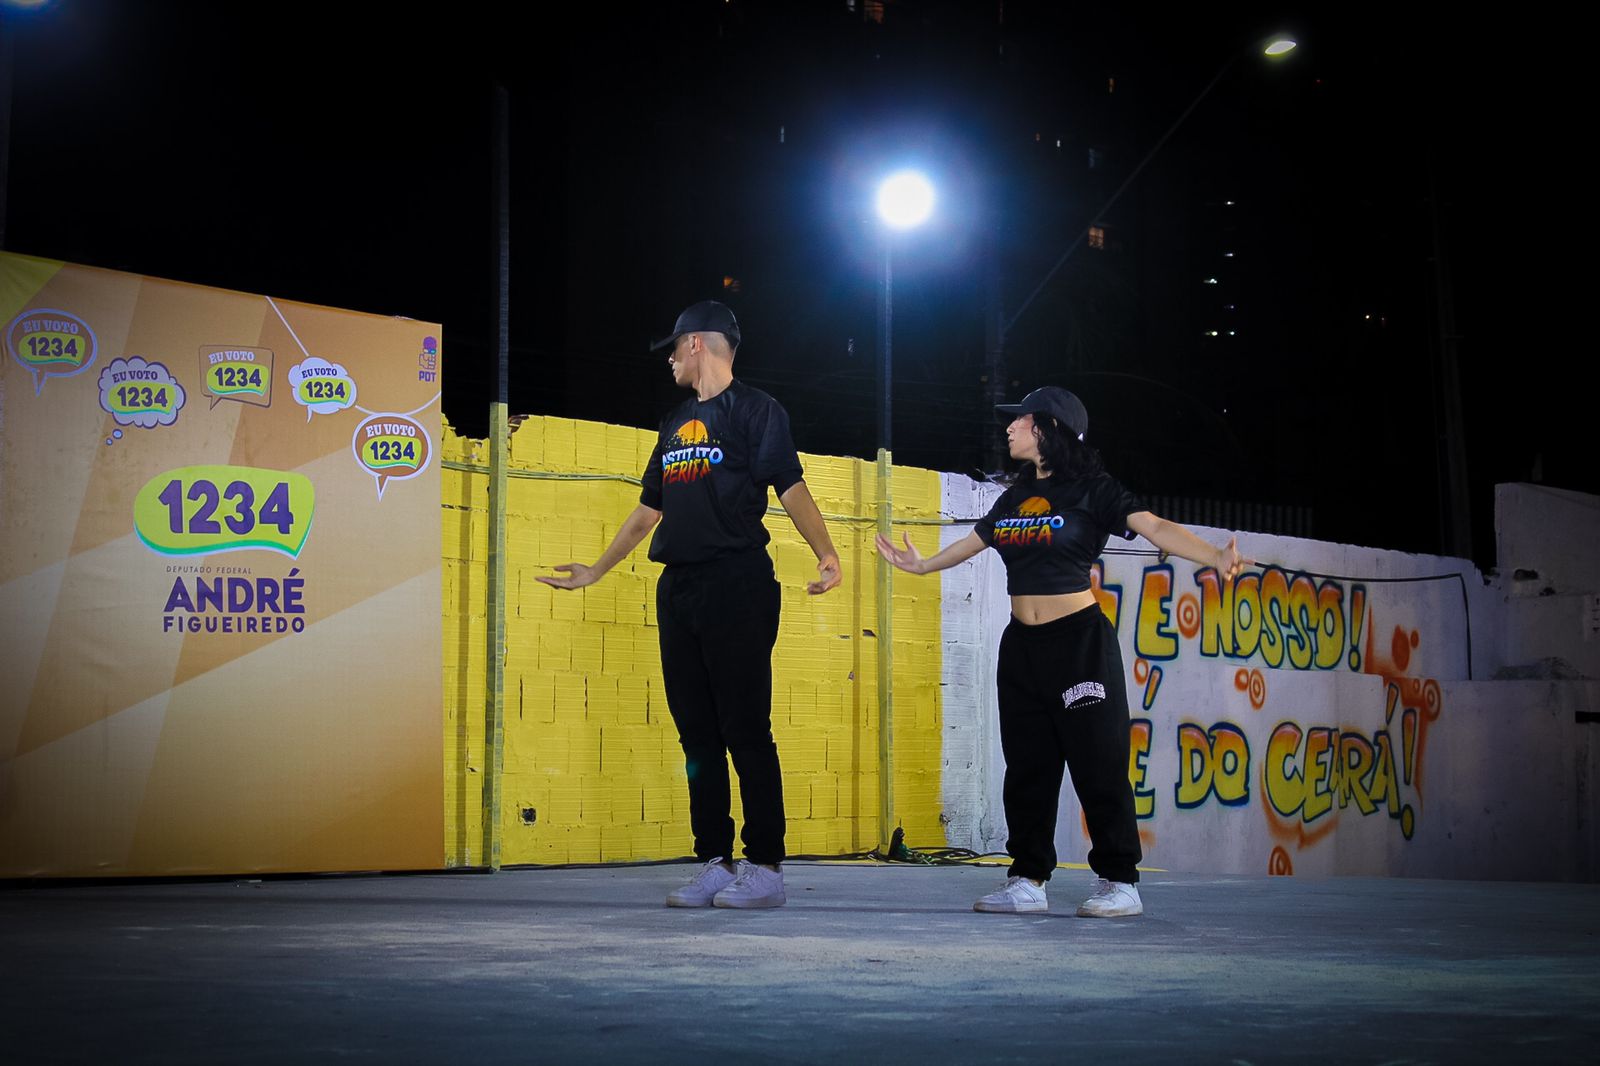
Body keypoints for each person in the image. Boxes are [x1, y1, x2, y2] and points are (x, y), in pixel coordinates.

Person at [876, 386, 1246, 917]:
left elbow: (1155, 527)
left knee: (1098, 764)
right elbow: (975, 541)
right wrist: (922, 565)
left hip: (1079, 644)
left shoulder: (1094, 490)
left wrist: (1214, 556)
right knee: (1028, 767)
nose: (1009, 428)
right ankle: (1028, 879)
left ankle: (1120, 881)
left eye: (1019, 420)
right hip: (1022, 648)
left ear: (1049, 428)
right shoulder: (1016, 497)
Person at [539, 300, 841, 909]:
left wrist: (827, 553)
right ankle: (715, 860)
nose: (670, 359)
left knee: (745, 729)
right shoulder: (674, 422)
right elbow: (648, 509)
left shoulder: (757, 410)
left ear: (697, 343)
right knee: (696, 734)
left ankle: (766, 866)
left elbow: (790, 485)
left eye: (674, 348)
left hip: (737, 582)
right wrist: (596, 569)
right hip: (678, 588)